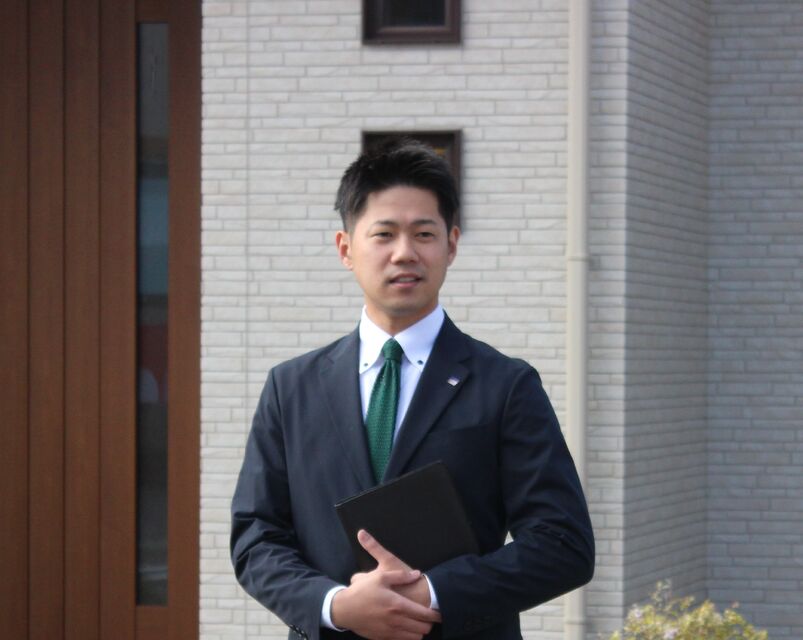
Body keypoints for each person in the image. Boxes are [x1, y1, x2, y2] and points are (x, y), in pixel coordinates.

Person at [231, 140, 594, 640]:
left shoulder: (506, 385)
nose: (405, 252)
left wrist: (435, 593)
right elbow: (256, 538)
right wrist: (335, 605)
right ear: (346, 249)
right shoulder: (290, 387)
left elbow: (563, 543)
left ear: (451, 245)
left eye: (424, 233)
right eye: (384, 234)